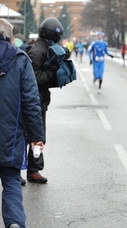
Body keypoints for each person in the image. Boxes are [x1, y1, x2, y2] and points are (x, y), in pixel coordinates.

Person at [0, 18, 45, 228]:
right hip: (10, 136)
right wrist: (37, 136)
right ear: (10, 37)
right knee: (11, 182)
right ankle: (15, 225)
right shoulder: (19, 59)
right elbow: (31, 101)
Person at [26, 17, 67, 183]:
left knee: (35, 134)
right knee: (35, 134)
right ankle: (32, 170)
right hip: (33, 101)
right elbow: (34, 79)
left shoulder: (45, 48)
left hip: (39, 99)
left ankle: (32, 169)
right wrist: (52, 69)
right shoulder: (38, 51)